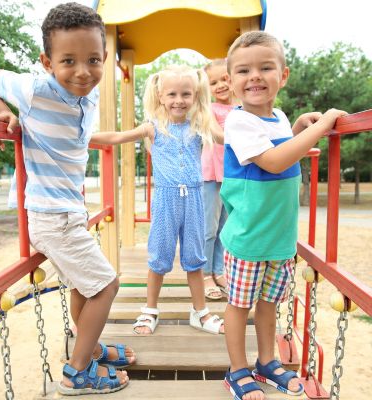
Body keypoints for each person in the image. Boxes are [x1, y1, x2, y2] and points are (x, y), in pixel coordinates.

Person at [0, 2, 151, 395]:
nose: (82, 71)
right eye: (68, 60)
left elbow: (87, 140)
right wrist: (2, 113)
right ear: (47, 62)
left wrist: (132, 134)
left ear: (104, 58)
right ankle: (77, 371)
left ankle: (91, 348)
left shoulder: (87, 97)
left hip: (68, 211)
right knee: (106, 286)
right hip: (52, 214)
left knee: (83, 287)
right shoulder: (36, 88)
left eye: (92, 60)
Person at [221, 31, 346, 400]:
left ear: (284, 75)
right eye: (243, 70)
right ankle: (237, 369)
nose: (254, 76)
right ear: (230, 81)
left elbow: (277, 146)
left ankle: (266, 361)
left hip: (278, 236)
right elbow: (274, 162)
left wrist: (293, 130)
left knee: (269, 303)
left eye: (265, 67)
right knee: (240, 305)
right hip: (249, 235)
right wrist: (323, 127)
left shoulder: (276, 115)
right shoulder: (238, 120)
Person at [131, 64, 225, 335]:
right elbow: (117, 138)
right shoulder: (153, 128)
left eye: (186, 94)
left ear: (195, 95)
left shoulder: (200, 125)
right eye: (172, 94)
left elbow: (226, 138)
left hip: (194, 198)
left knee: (195, 259)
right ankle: (150, 310)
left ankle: (200, 312)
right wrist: (79, 138)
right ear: (160, 95)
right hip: (165, 199)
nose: (179, 100)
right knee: (159, 256)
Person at [202, 59, 234, 300]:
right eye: (214, 82)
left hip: (232, 173)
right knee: (209, 227)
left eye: (225, 78)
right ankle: (204, 274)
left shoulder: (242, 108)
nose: (221, 85)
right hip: (211, 172)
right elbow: (216, 134)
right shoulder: (209, 109)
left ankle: (218, 270)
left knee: (225, 226)